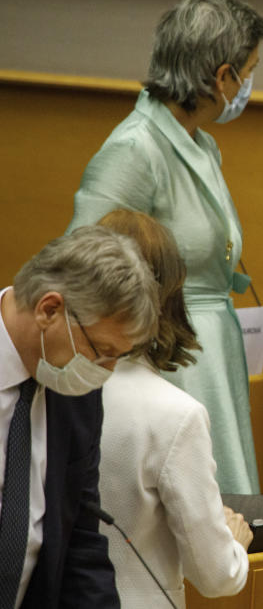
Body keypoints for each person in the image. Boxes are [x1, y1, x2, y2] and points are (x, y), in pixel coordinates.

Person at [68, 0, 263, 494]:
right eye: (248, 71)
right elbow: (83, 264)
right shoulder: (135, 149)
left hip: (211, 351)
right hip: (165, 359)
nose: (249, 84)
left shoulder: (198, 141)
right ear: (221, 78)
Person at [96, 209, 252, 608]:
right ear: (171, 293)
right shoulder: (176, 415)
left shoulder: (46, 386)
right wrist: (233, 543)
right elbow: (217, 576)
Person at [0, 226, 159, 609]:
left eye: (118, 356)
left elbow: (80, 544)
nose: (105, 370)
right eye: (101, 350)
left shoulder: (76, 393)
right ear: (49, 309)